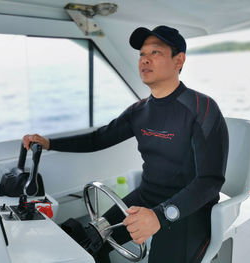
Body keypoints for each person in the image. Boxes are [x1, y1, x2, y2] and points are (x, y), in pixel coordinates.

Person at [23, 25, 229, 263]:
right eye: (142, 54)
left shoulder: (202, 109)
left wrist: (160, 216)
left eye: (156, 53)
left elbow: (210, 182)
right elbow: (98, 138)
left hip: (189, 210)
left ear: (178, 61)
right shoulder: (139, 111)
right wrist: (49, 143)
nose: (145, 60)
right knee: (88, 243)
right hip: (146, 197)